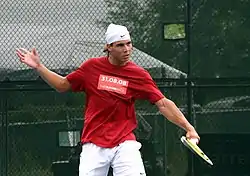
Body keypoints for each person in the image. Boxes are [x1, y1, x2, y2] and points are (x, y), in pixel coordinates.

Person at [16, 23, 200, 176]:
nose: (127, 49)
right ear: (109, 47)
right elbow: (63, 85)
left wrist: (189, 128)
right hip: (93, 142)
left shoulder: (138, 74)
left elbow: (163, 103)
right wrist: (39, 67)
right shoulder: (91, 67)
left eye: (129, 44)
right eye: (120, 45)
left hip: (124, 142)